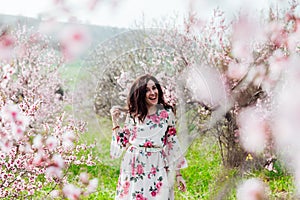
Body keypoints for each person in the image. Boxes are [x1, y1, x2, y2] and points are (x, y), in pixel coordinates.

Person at [110, 74, 188, 200]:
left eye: (154, 88)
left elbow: (172, 143)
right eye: (147, 90)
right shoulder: (133, 114)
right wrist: (115, 122)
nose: (152, 92)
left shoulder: (167, 113)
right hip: (133, 161)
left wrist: (178, 175)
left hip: (157, 162)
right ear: (140, 94)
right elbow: (122, 143)